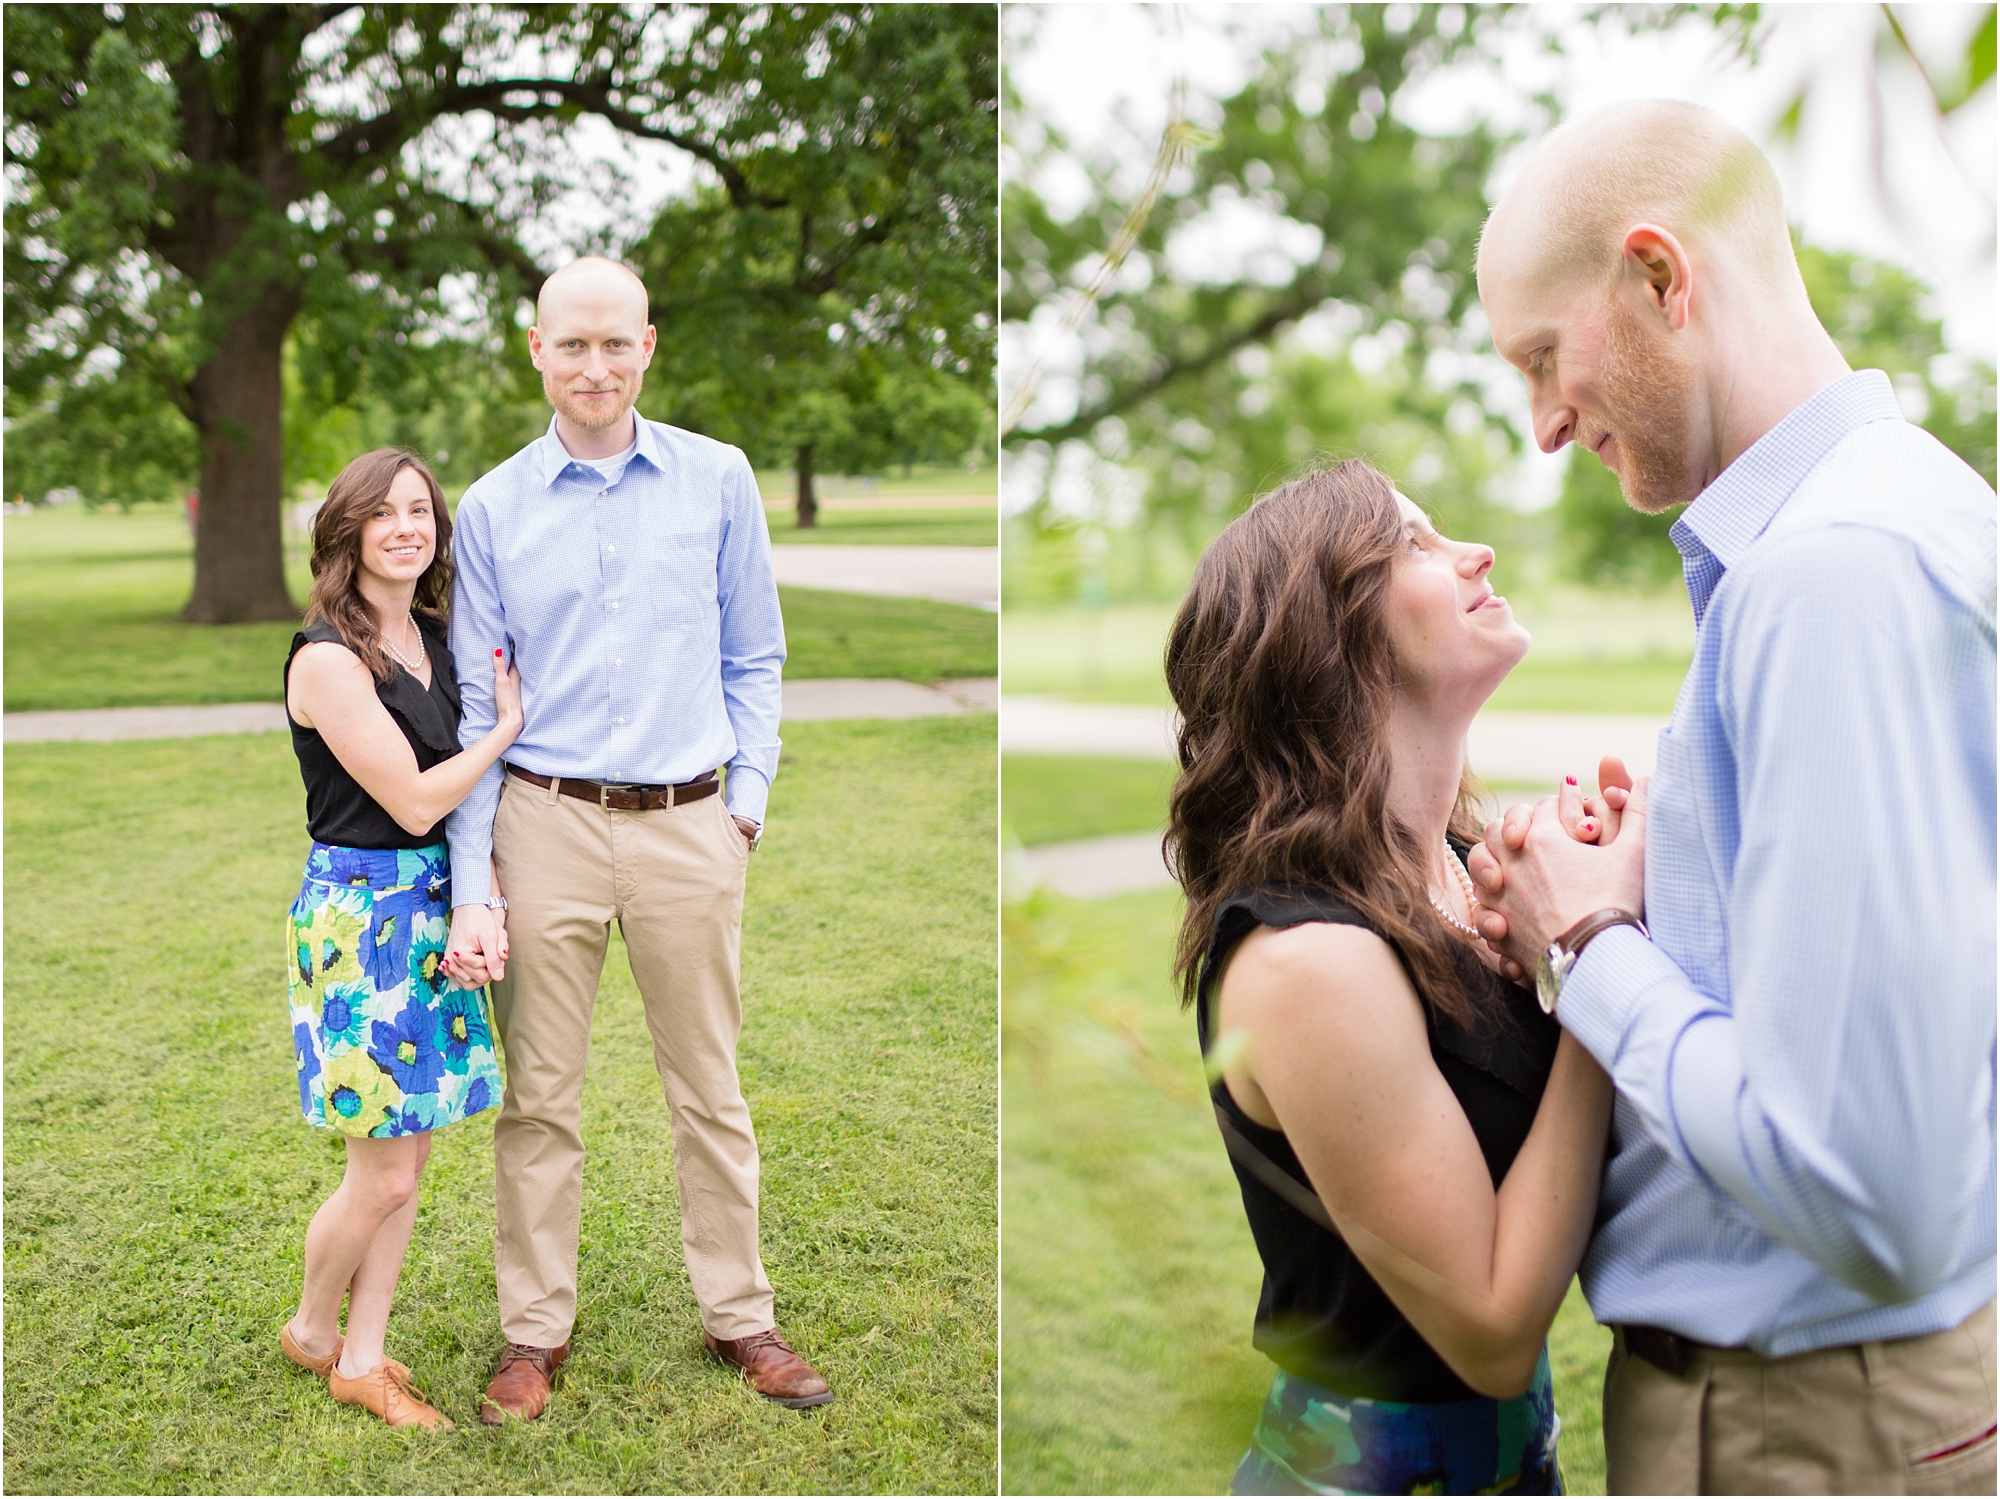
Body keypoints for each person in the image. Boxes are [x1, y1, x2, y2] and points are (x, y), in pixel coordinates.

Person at [1471, 99, 1995, 1494]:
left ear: (1659, 277)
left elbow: (1868, 1195)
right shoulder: (1894, 517)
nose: (1542, 425)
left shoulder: (1829, 576)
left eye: (1541, 358)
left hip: (1805, 1426)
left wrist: (1588, 947)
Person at [1167, 460, 1617, 1495]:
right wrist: (1599, 960)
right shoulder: (1306, 959)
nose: (1477, 552)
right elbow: (1493, 1330)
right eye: (1413, 542)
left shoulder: (1462, 879)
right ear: (1324, 634)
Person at [443, 255, 831, 1423]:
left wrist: (744, 799)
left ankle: (740, 1316)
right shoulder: (491, 507)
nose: (595, 365)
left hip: (686, 821)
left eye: (615, 343)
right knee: (538, 1099)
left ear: (648, 346)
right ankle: (532, 1332)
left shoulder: (719, 479)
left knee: (707, 1085)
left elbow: (753, 655)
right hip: (540, 822)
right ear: (536, 350)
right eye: (573, 345)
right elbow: (476, 708)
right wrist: (475, 881)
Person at [279, 447, 524, 1429]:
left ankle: (364, 1355)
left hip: (428, 905)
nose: (404, 527)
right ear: (347, 532)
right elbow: (419, 798)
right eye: (381, 513)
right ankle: (310, 1326)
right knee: (377, 1168)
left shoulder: (432, 633)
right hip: (361, 919)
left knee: (407, 1161)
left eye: (419, 509)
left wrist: (479, 899)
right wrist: (505, 728)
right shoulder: (327, 658)